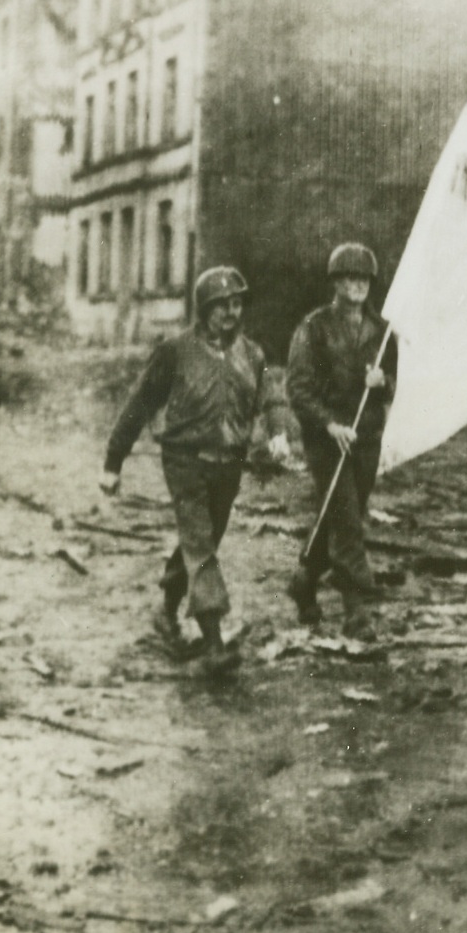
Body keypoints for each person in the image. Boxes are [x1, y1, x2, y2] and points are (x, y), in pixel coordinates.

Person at [99, 266, 290, 675]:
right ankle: (214, 641)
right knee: (200, 542)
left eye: (236, 304)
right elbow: (139, 404)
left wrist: (278, 433)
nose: (229, 314)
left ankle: (168, 605)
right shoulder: (176, 351)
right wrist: (114, 462)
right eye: (220, 306)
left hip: (229, 464)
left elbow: (272, 397)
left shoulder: (252, 355)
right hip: (184, 461)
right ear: (203, 310)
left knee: (204, 538)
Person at [286, 243, 397, 642]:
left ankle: (305, 578)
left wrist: (381, 383)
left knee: (341, 513)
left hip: (366, 439)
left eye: (364, 279)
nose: (358, 286)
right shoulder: (314, 328)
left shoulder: (384, 333)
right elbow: (297, 388)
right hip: (327, 442)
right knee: (348, 521)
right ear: (336, 282)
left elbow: (394, 387)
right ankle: (357, 611)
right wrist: (329, 424)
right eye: (350, 278)